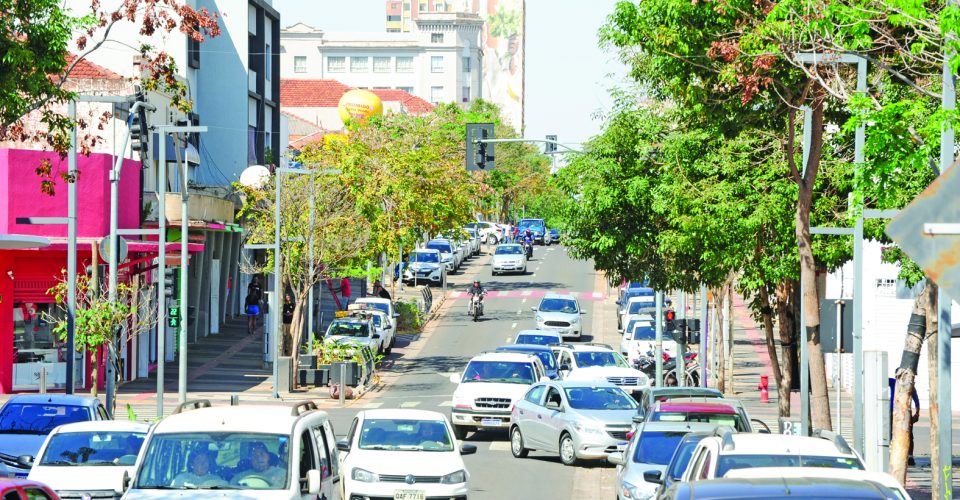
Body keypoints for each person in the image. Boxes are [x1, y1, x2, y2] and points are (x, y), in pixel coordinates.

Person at [888, 376, 920, 466]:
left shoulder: (910, 386)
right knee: (892, 433)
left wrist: (917, 413)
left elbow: (916, 400)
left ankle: (910, 456)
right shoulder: (893, 382)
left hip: (905, 412)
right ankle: (893, 453)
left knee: (909, 434)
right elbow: (881, 380)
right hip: (893, 411)